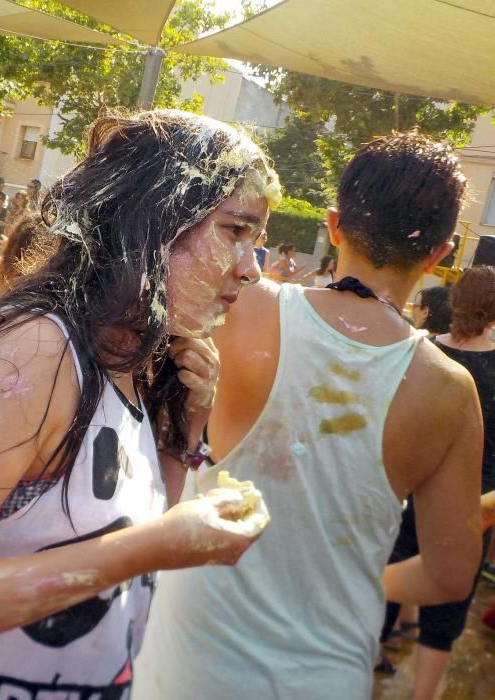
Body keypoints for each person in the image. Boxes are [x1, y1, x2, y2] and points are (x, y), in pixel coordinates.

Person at [0, 110, 276, 698]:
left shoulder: (145, 361)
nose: (252, 270)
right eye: (236, 231)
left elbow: (121, 543)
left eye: (259, 243)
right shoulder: (33, 349)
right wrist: (157, 545)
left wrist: (184, 433)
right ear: (153, 222)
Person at [134, 131, 484, 700]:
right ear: (440, 254)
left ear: (334, 224)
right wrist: (348, 579)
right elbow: (448, 576)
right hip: (324, 675)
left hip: (187, 653)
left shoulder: (240, 308)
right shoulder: (447, 391)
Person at [377, 265, 494, 700]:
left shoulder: (420, 352)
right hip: (473, 504)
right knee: (445, 615)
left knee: (386, 584)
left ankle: (362, 665)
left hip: (410, 492)